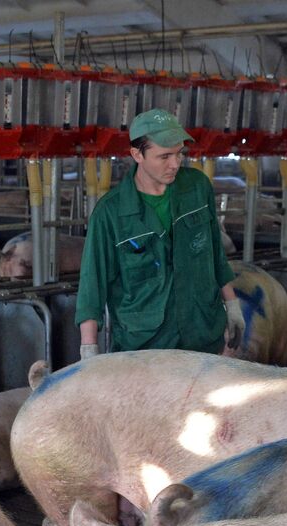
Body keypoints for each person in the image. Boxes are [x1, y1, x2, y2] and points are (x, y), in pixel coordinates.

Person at [74, 108, 240, 358]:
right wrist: (89, 348)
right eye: (164, 156)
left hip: (202, 335)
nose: (175, 164)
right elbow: (92, 285)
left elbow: (215, 252)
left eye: (179, 153)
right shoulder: (110, 213)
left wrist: (233, 304)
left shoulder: (196, 188)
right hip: (145, 348)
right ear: (136, 154)